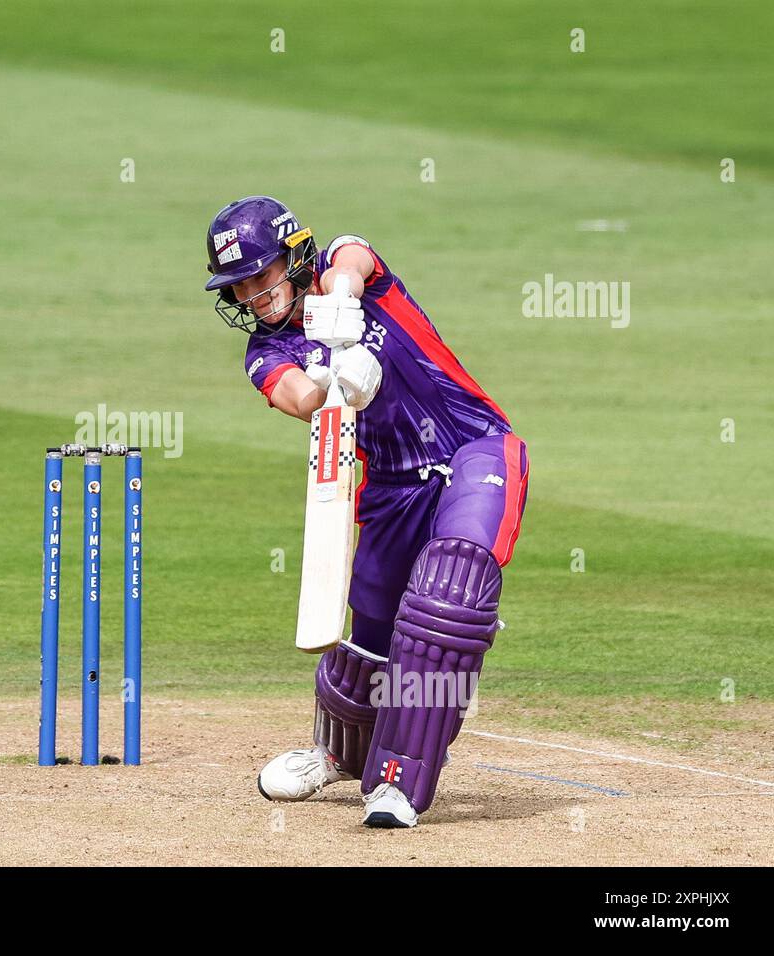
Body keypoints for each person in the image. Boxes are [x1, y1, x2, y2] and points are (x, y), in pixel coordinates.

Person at [203, 196, 529, 827]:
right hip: (390, 490)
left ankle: (398, 784)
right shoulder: (265, 351)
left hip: (476, 447)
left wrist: (343, 301)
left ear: (293, 257)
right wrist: (335, 381)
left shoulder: (343, 273)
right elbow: (295, 397)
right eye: (239, 287)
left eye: (261, 275)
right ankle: (337, 753)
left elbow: (356, 256)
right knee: (369, 641)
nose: (252, 296)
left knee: (447, 599)